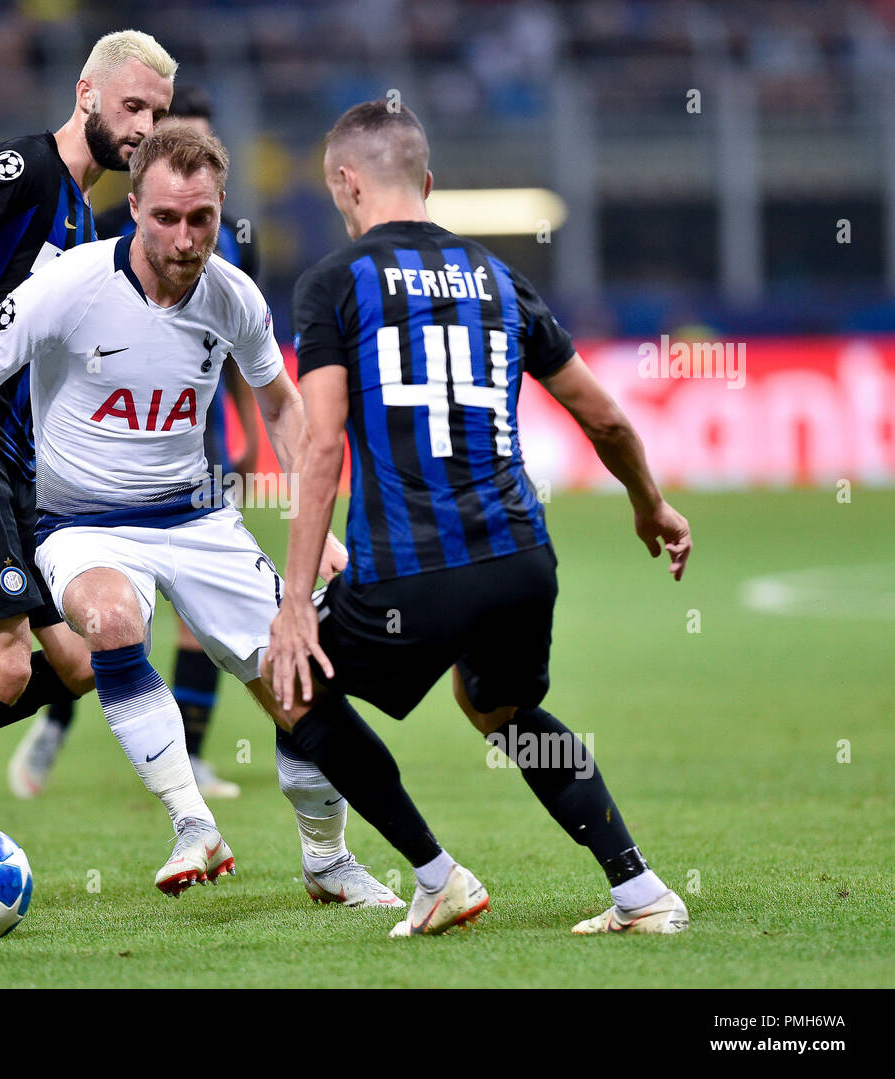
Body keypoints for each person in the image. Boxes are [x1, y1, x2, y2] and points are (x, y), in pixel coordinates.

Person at [0, 34, 393, 913]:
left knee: (81, 665)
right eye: (132, 107)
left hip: (24, 466)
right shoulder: (33, 169)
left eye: (158, 112)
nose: (145, 125)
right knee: (5, 668)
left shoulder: (104, 227)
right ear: (86, 92)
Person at [266, 100, 693, 936]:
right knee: (502, 709)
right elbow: (604, 417)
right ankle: (641, 892)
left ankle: (435, 876)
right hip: (521, 559)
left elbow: (322, 449)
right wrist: (653, 503)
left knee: (296, 689)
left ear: (346, 183)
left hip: (412, 568)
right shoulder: (501, 278)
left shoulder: (333, 282)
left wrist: (292, 601)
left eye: (336, 190)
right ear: (427, 181)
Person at [10, 84, 260, 801]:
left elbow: (246, 348)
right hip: (112, 455)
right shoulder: (108, 238)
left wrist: (242, 430)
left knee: (197, 618)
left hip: (197, 445)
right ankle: (59, 716)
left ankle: (192, 754)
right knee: (111, 615)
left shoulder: (236, 243)